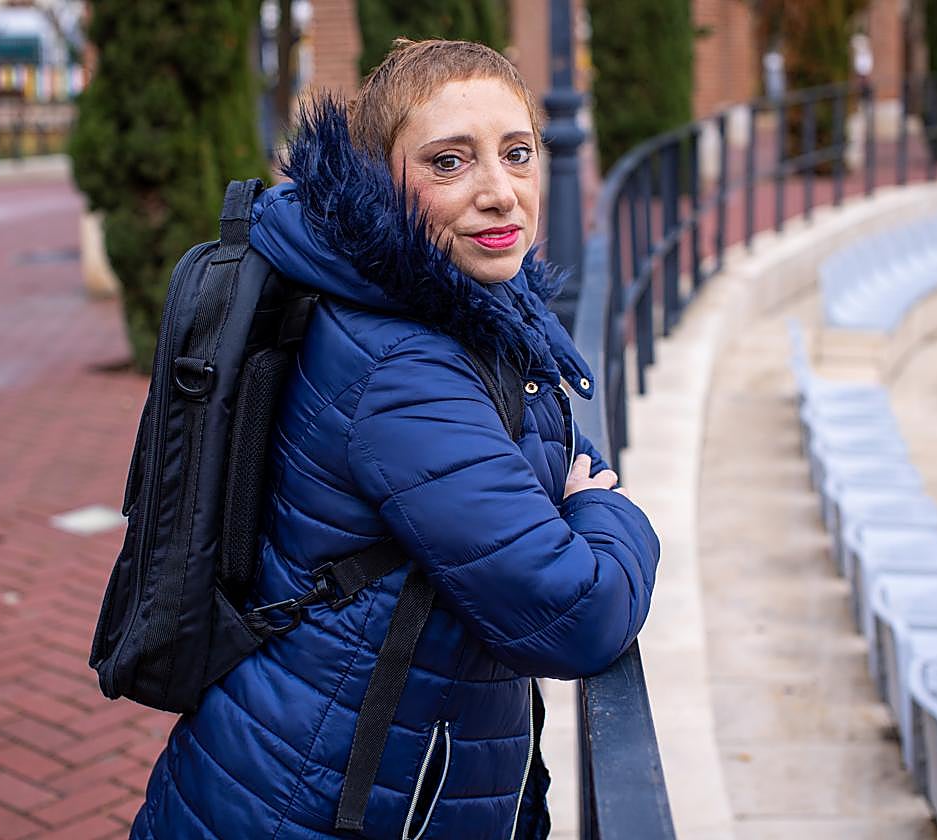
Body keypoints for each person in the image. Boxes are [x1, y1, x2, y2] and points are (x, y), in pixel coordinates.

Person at [131, 39, 660, 840]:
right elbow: (576, 612)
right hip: (315, 802)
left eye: (517, 154)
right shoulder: (404, 369)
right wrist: (609, 514)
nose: (499, 193)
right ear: (383, 182)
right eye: (450, 163)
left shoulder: (453, 308)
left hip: (335, 772)